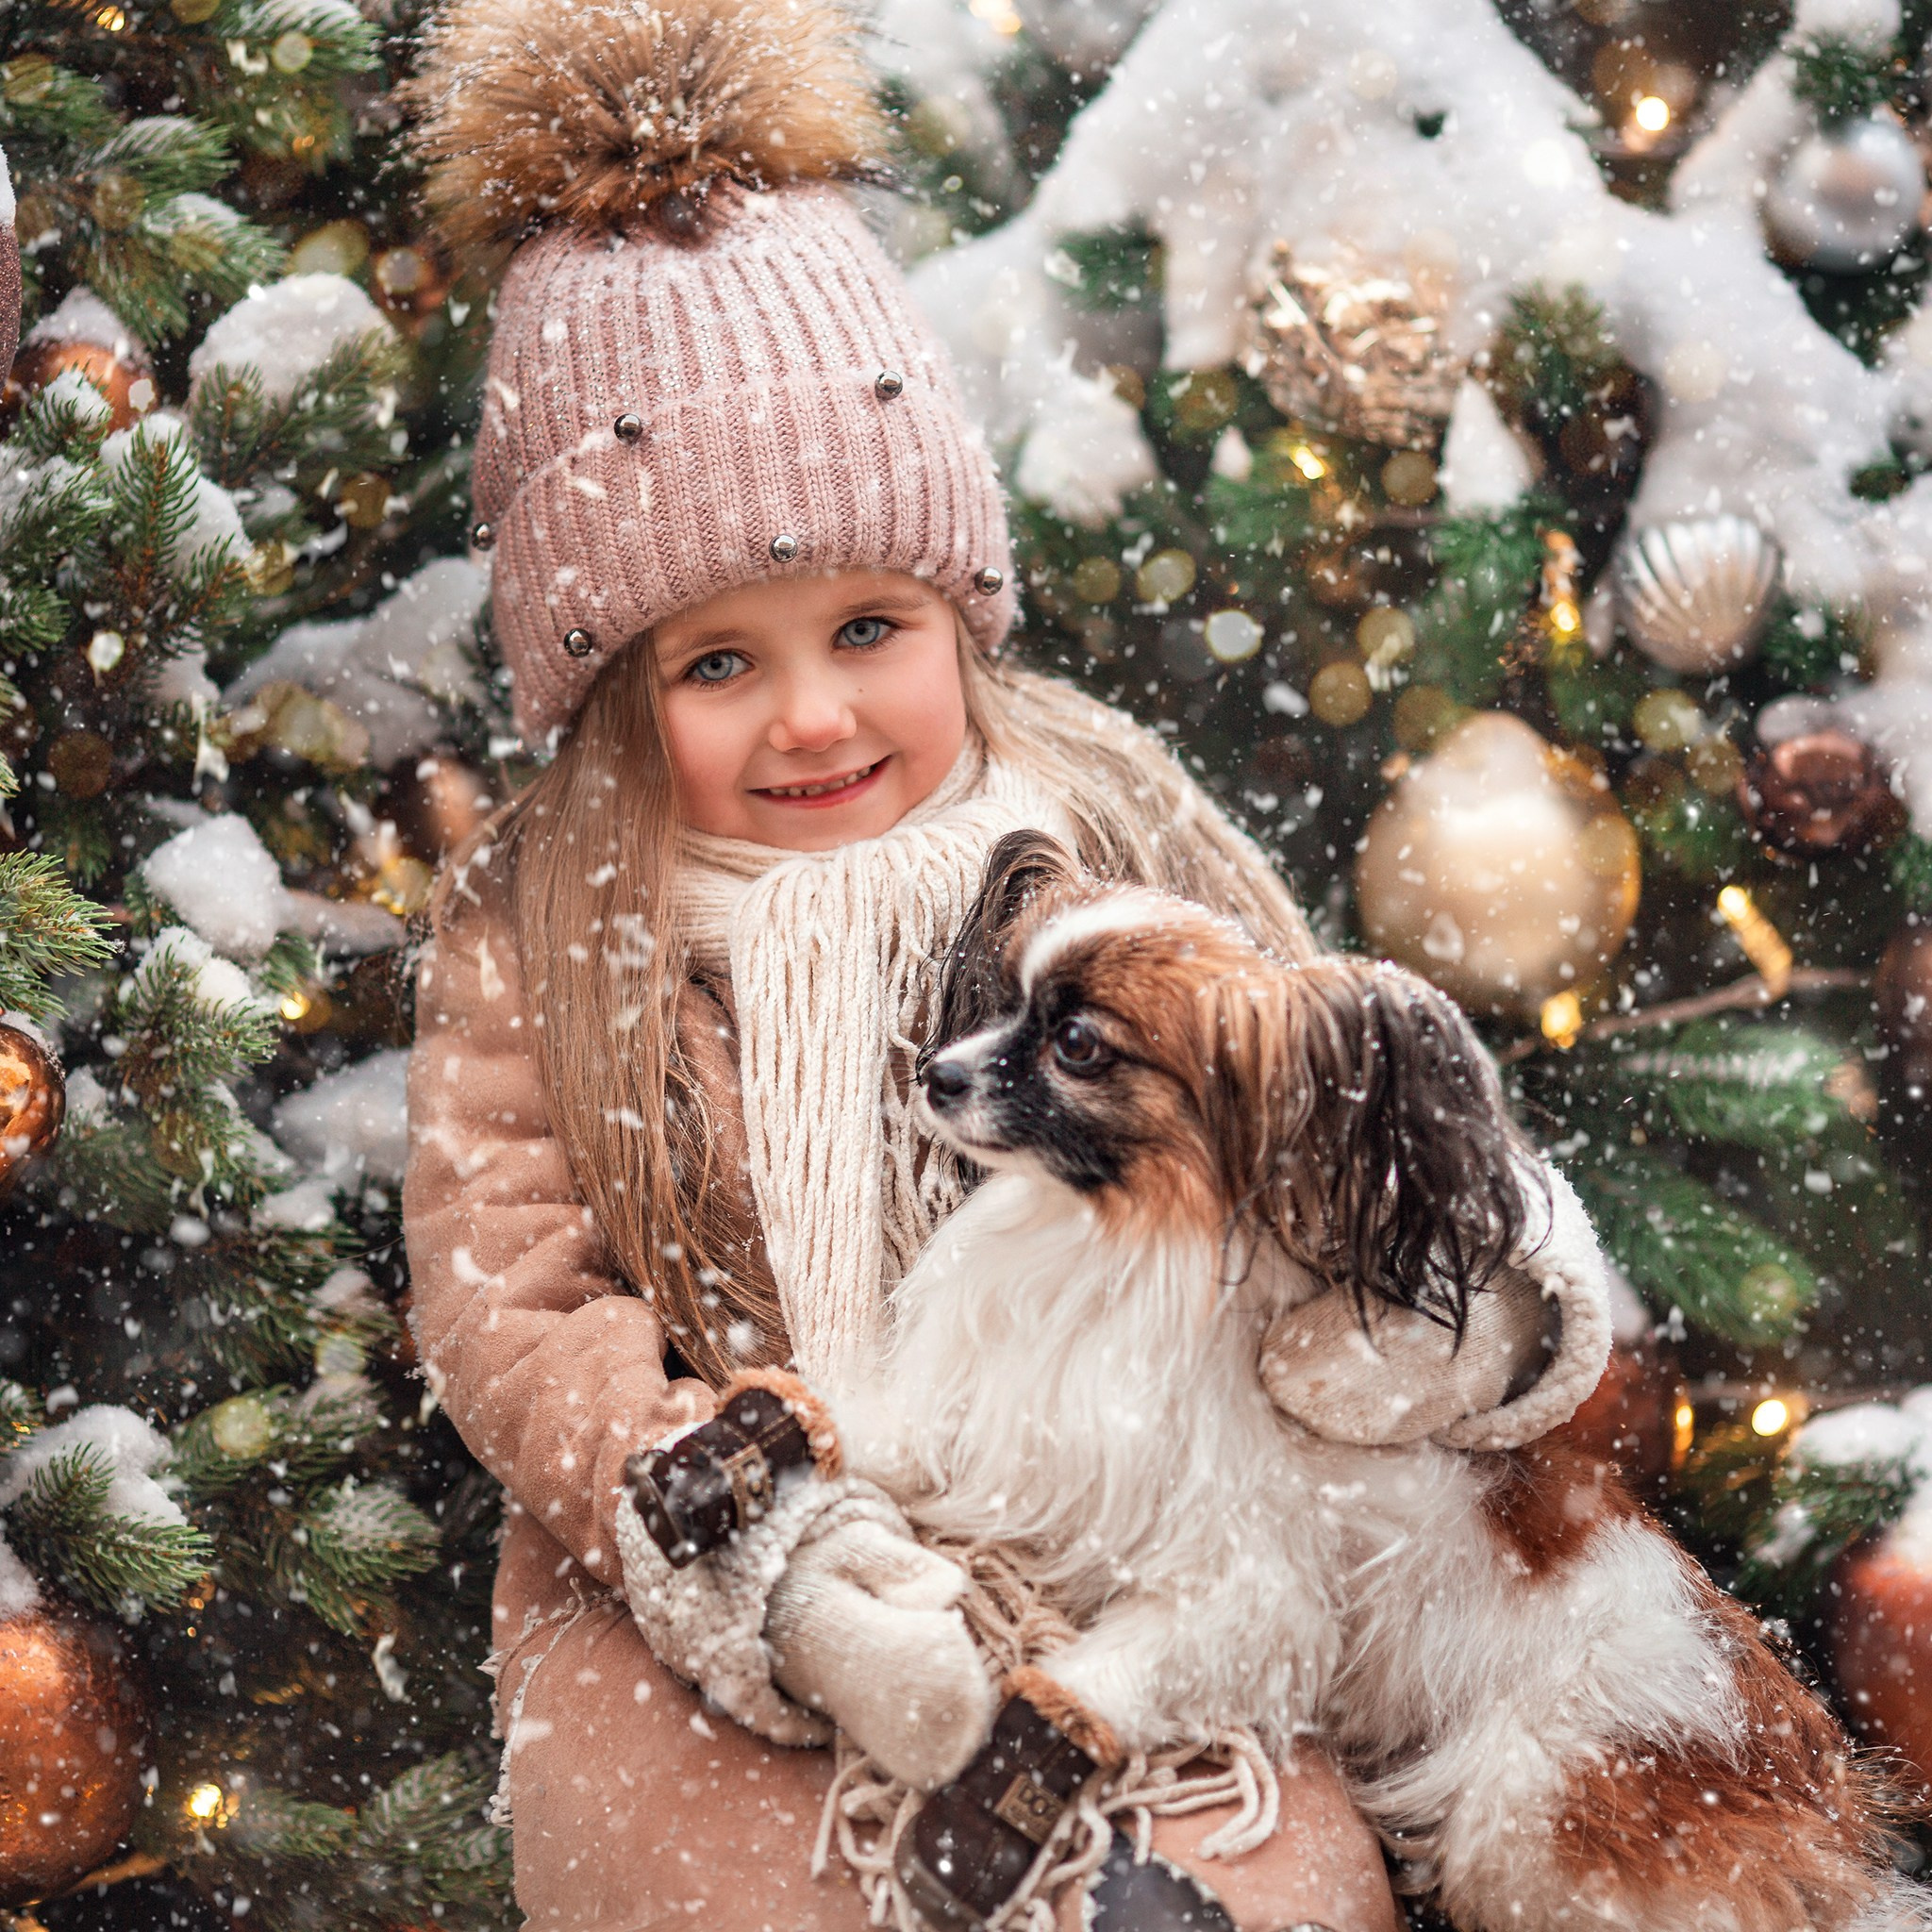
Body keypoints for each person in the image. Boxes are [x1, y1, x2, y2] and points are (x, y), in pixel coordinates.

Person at [399, 3, 1603, 1925]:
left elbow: (1330, 1079)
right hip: (739, 1536)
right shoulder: (548, 918)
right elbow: (513, 1300)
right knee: (749, 1886)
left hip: (1136, 1506)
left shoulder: (1094, 808)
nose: (812, 715)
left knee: (1261, 1886)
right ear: (612, 693)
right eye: (718, 661)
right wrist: (775, 1556)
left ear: (957, 608)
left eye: (869, 627)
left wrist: (1471, 1315)